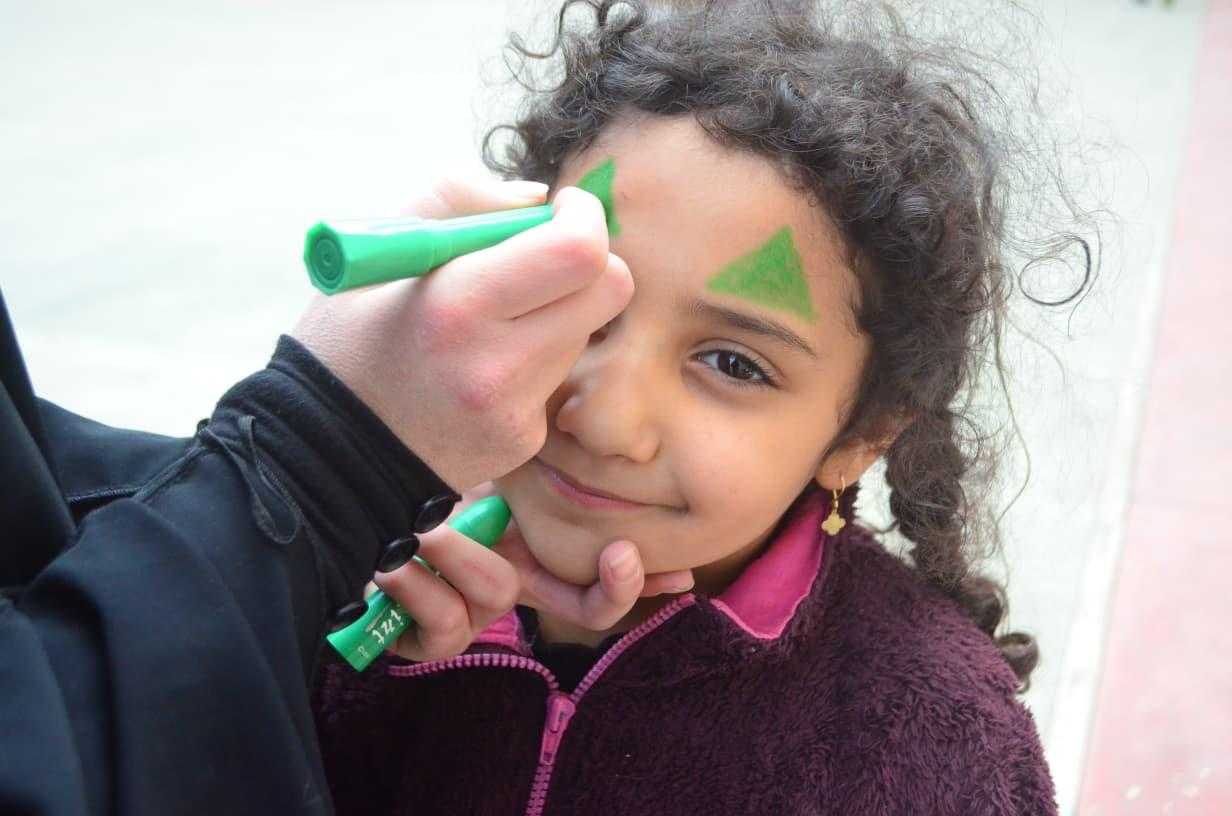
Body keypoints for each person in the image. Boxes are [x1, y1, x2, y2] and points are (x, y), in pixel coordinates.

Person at [312, 1, 1095, 814]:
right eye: (576, 296)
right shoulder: (352, 579)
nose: (603, 420)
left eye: (732, 364)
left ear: (861, 437)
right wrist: (303, 592)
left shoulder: (935, 747)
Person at [0, 176, 696, 814]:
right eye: (582, 321)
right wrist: (319, 491)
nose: (603, 422)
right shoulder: (380, 639)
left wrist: (316, 527)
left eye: (731, 363)